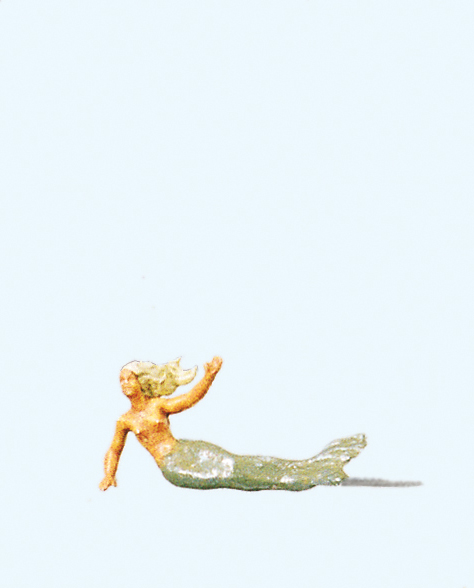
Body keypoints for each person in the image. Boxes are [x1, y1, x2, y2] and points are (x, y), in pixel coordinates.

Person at [99, 356, 367, 492]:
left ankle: (310, 468)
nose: (125, 384)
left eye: (129, 379)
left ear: (142, 381)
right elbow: (114, 449)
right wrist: (109, 474)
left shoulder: (158, 406)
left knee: (241, 463)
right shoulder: (125, 420)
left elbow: (189, 399)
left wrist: (209, 376)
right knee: (236, 477)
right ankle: (305, 479)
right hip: (174, 466)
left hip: (187, 449)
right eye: (121, 380)